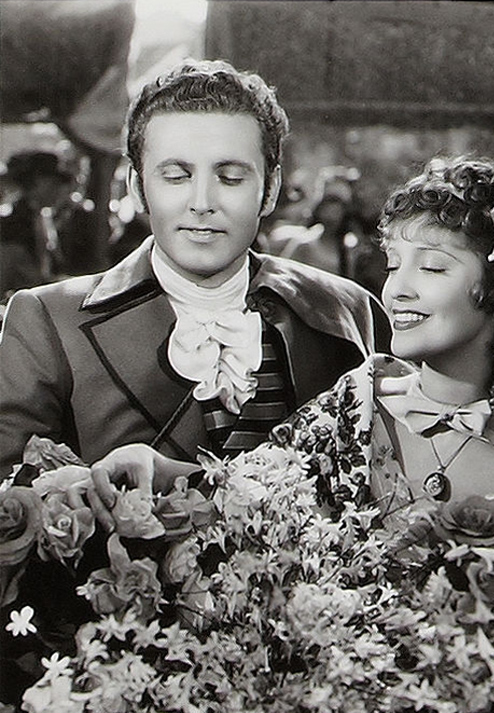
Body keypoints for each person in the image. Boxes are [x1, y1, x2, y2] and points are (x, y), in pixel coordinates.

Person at [85, 156, 494, 713]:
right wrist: (156, 467)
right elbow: (247, 492)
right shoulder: (360, 399)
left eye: (433, 267)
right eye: (394, 265)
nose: (398, 290)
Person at [0, 60, 389, 480]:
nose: (202, 202)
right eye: (175, 176)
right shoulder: (48, 321)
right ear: (137, 188)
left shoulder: (350, 312)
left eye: (231, 177)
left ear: (271, 189)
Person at [0, 150, 74, 298]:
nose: (59, 190)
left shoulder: (43, 217)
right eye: (53, 183)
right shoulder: (12, 225)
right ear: (36, 183)